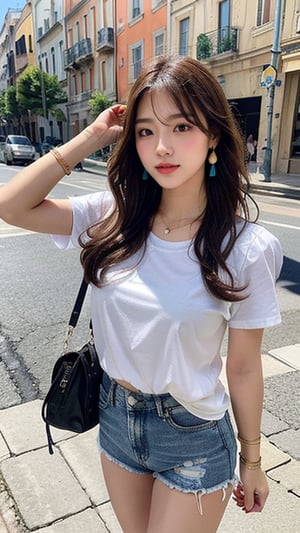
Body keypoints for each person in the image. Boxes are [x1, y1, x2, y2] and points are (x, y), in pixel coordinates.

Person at [0, 56, 282, 532]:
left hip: (191, 430)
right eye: (146, 131)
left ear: (213, 135)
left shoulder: (248, 248)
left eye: (182, 126)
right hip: (114, 416)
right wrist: (93, 136)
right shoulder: (112, 212)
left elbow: (243, 364)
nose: (162, 147)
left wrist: (253, 460)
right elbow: (12, 205)